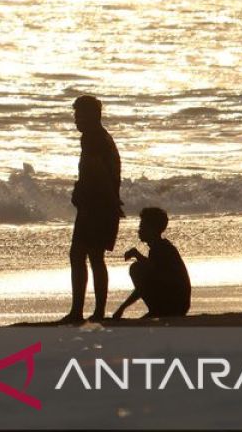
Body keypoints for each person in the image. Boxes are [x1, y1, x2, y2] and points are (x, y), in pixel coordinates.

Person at [61, 94, 123, 323]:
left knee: (81, 255)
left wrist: (109, 202)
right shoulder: (100, 137)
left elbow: (98, 171)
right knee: (91, 256)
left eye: (79, 114)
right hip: (99, 204)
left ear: (92, 115)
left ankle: (83, 312)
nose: (76, 119)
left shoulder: (92, 138)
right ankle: (91, 311)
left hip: (97, 206)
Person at [112, 207, 191, 319]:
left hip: (176, 304)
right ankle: (156, 310)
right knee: (139, 269)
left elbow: (152, 274)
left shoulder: (161, 248)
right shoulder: (159, 247)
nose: (139, 230)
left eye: (142, 227)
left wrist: (137, 255)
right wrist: (123, 307)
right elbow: (145, 284)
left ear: (152, 229)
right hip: (179, 304)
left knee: (136, 269)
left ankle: (157, 310)